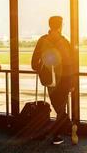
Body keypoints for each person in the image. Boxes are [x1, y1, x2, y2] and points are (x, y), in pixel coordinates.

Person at [31, 16, 75, 145]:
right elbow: (70, 63)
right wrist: (72, 82)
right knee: (61, 108)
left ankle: (58, 133)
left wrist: (44, 69)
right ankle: (64, 129)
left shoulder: (42, 40)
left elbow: (34, 63)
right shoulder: (65, 42)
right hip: (65, 80)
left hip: (50, 80)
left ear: (50, 25)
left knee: (59, 108)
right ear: (61, 26)